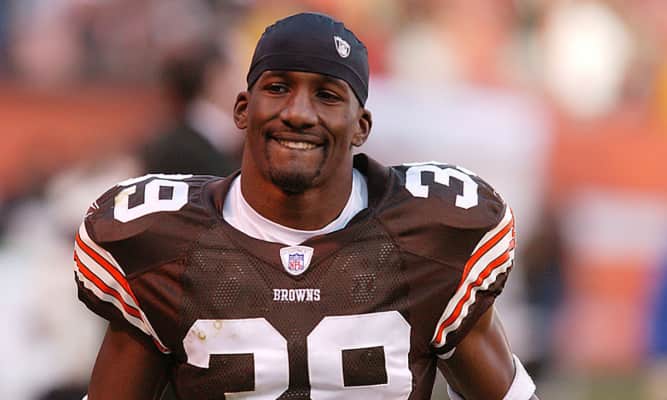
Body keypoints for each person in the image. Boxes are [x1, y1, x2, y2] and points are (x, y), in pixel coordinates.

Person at [73, 12, 537, 400]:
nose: (298, 113)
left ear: (361, 126)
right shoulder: (165, 243)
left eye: (327, 95)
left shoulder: (427, 235)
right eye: (278, 88)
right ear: (242, 109)